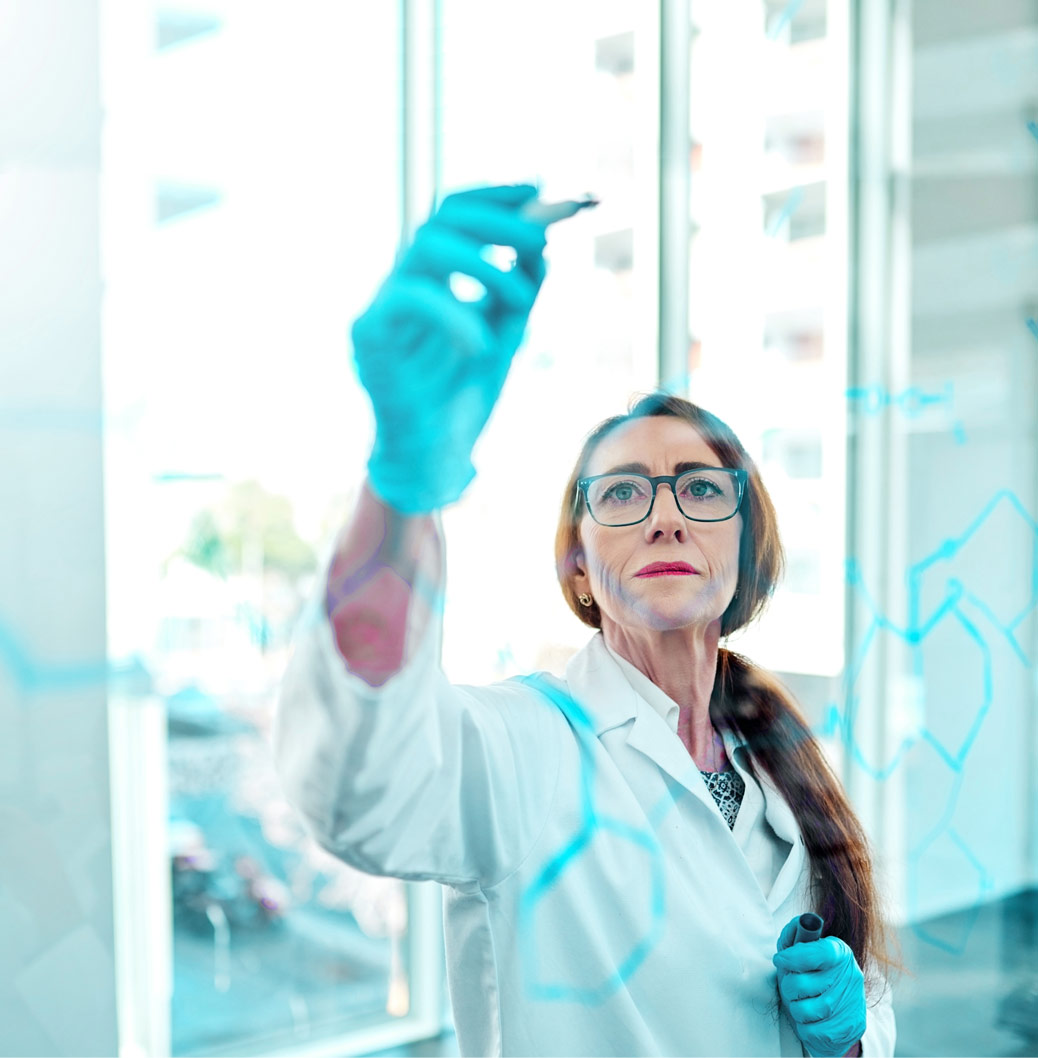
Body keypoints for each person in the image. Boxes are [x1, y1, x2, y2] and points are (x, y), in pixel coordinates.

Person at [272, 184, 905, 1056]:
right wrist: (405, 484)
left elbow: (870, 1016)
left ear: (746, 546)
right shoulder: (528, 749)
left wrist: (855, 1037)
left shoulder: (781, 769)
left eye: (701, 489)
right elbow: (363, 788)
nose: (665, 515)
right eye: (622, 493)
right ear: (578, 561)